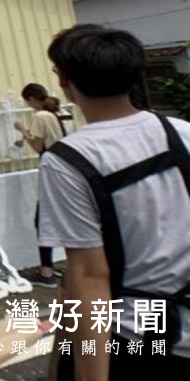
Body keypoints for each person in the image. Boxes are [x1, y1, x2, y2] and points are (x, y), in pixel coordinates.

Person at [38, 24, 190, 379]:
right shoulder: (182, 132)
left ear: (64, 79)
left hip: (135, 338)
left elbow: (89, 277)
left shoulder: (69, 160)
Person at [13, 82, 74, 288]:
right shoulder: (63, 112)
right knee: (71, 219)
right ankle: (76, 267)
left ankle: (46, 272)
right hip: (73, 169)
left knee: (44, 220)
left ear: (31, 99)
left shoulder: (41, 116)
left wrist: (23, 130)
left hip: (53, 170)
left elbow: (39, 146)